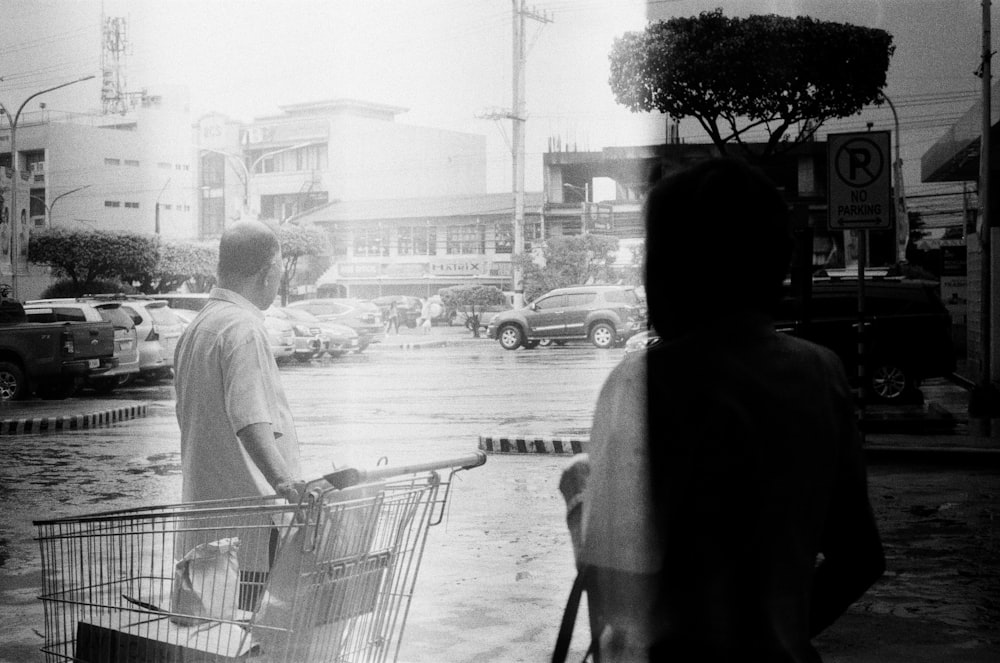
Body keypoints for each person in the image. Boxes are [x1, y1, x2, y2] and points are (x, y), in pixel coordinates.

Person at [560, 158, 885, 662]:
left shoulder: (640, 384)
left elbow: (615, 616)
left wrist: (581, 501)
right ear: (778, 262)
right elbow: (860, 558)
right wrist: (779, 634)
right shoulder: (822, 373)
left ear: (669, 272)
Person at [174, 219, 305, 609]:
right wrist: (286, 483)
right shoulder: (243, 328)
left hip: (207, 519)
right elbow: (249, 418)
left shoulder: (199, 325)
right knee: (251, 632)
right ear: (268, 271)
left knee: (219, 632)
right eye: (280, 268)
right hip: (249, 522)